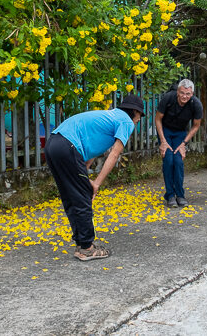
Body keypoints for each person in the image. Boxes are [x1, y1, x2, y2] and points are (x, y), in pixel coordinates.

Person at [45, 94, 144, 262]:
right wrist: (96, 183)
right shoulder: (126, 121)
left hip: (53, 144)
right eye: (140, 116)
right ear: (135, 112)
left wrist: (85, 174)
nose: (138, 121)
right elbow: (114, 154)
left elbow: (88, 150)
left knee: (72, 197)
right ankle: (87, 248)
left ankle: (81, 243)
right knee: (83, 197)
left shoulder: (108, 117)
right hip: (67, 146)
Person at [155, 79, 203, 208]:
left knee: (178, 161)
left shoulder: (196, 104)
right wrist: (163, 141)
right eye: (182, 93)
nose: (184, 97)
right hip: (165, 130)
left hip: (180, 132)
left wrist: (184, 143)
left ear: (192, 93)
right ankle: (170, 195)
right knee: (168, 160)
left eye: (188, 94)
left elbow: (196, 125)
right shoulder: (168, 98)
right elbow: (158, 119)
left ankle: (180, 195)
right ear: (178, 91)